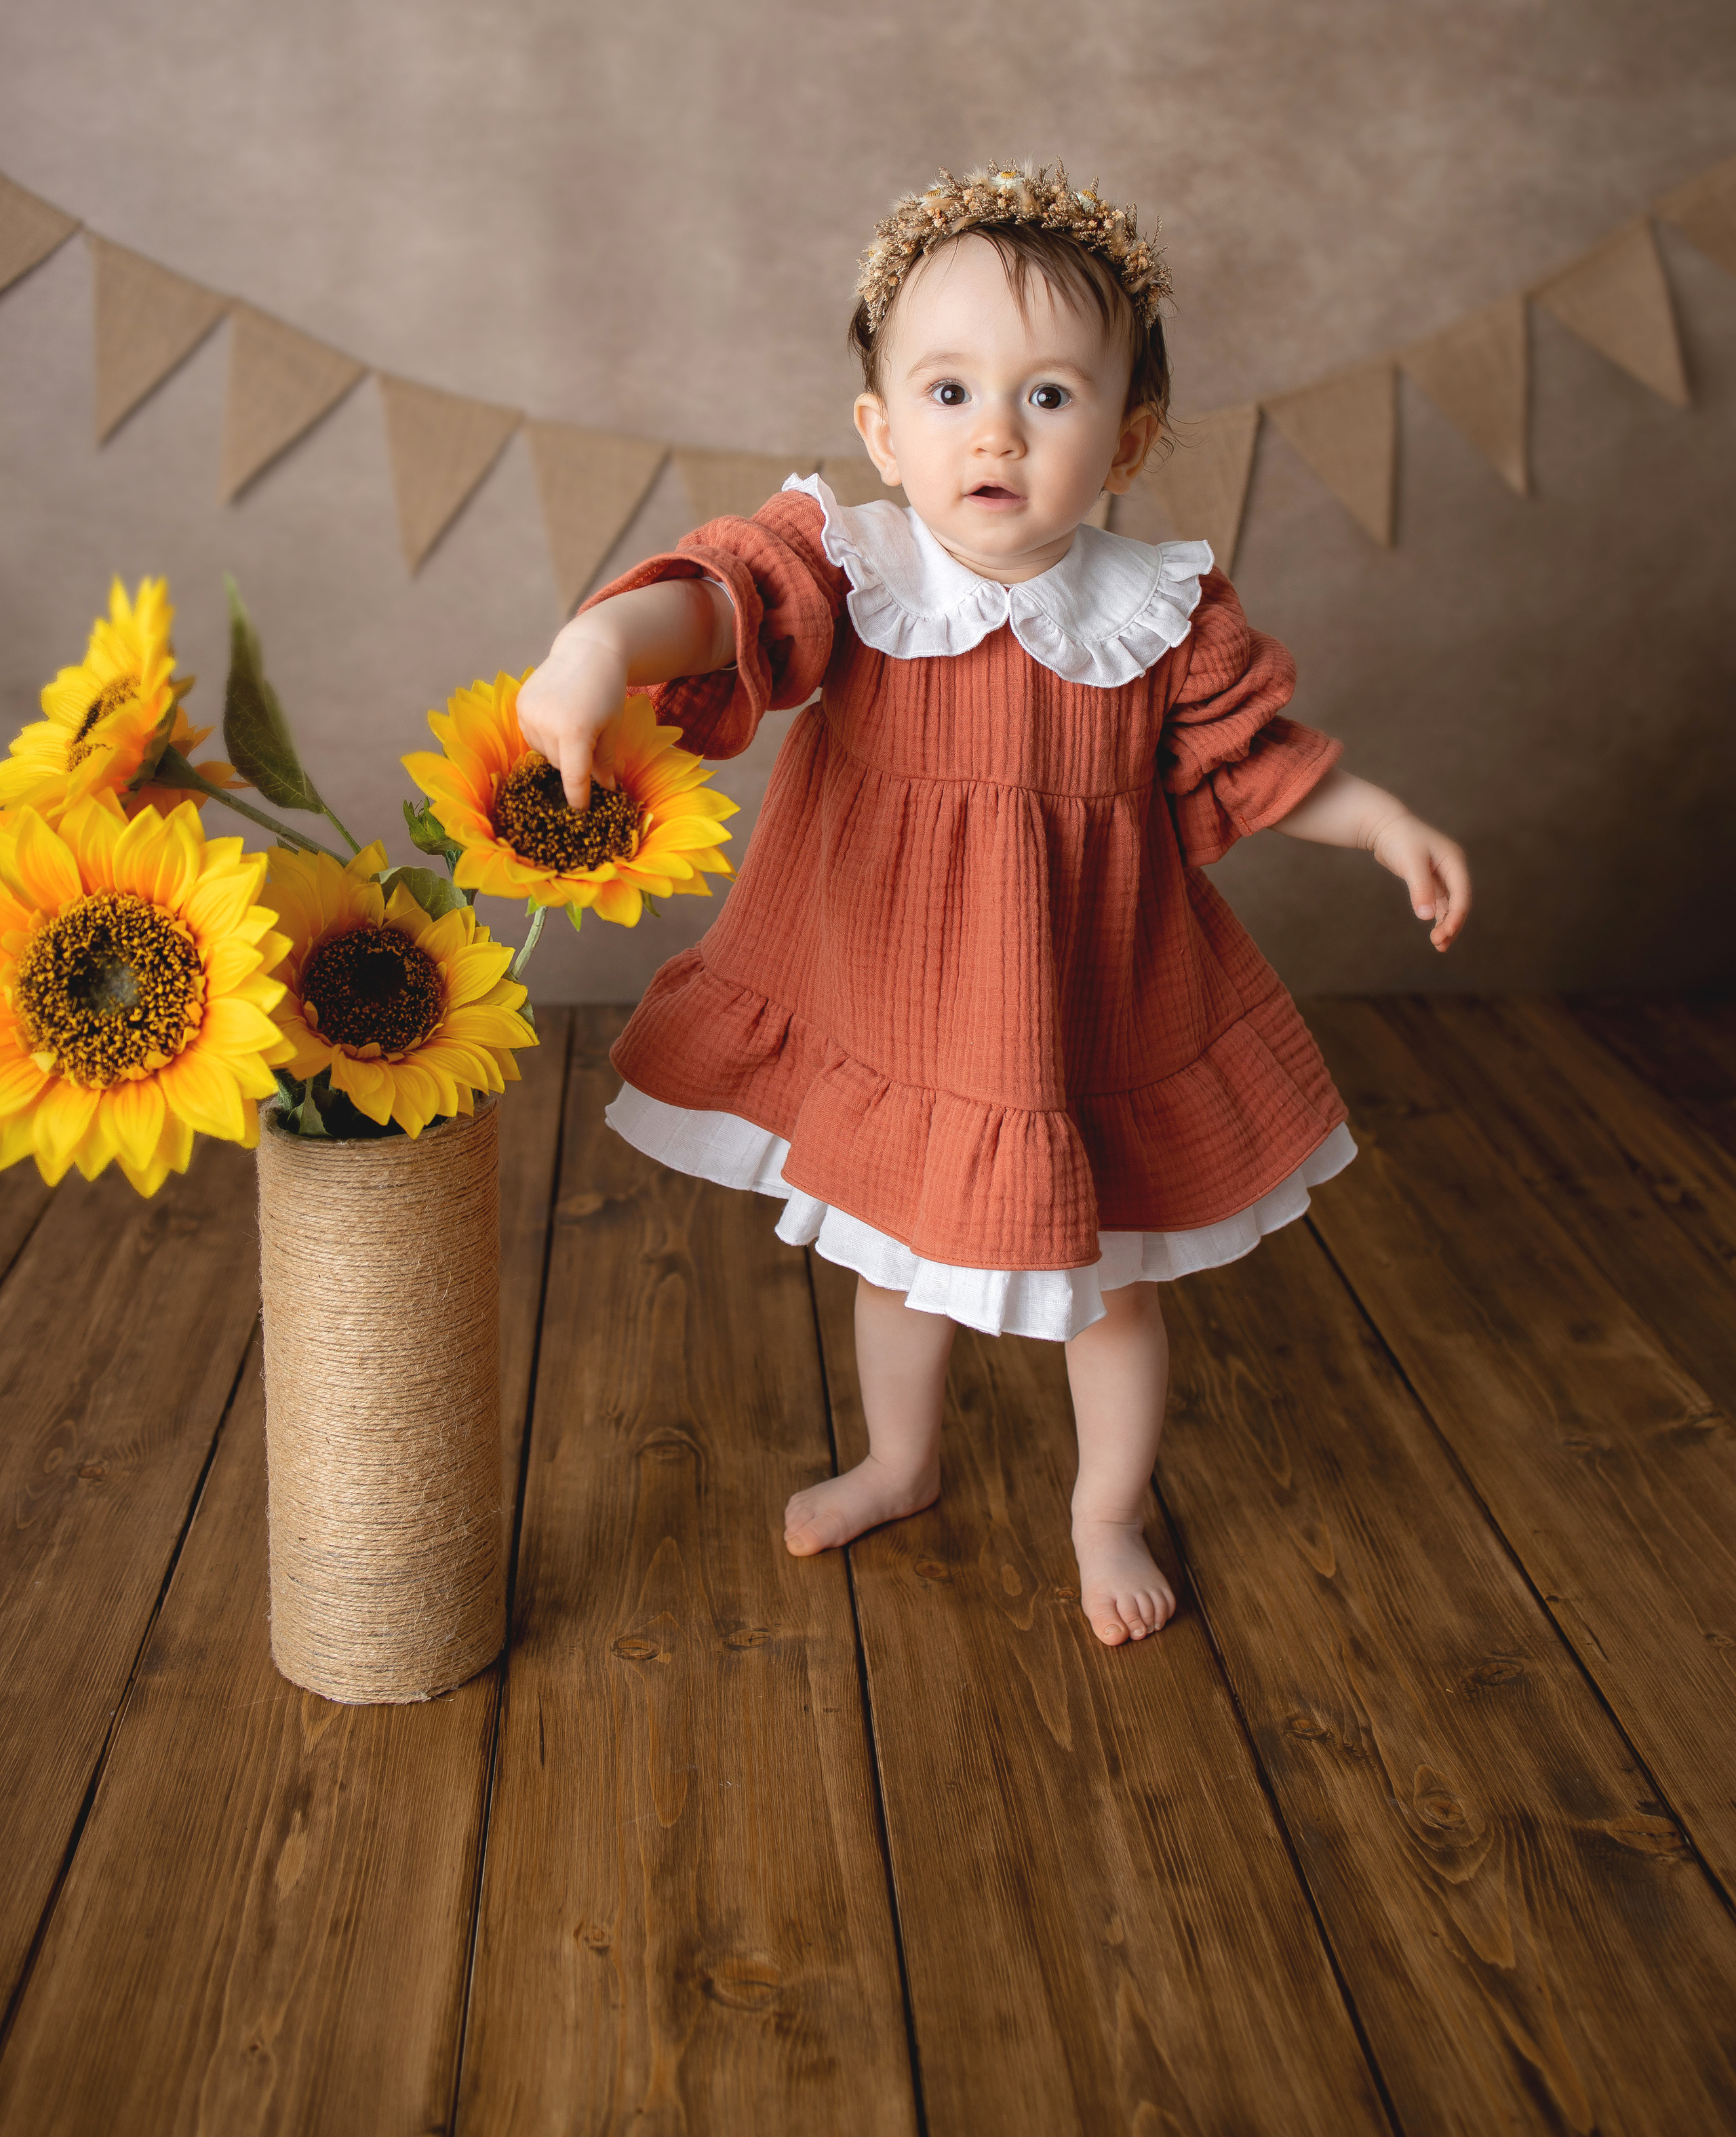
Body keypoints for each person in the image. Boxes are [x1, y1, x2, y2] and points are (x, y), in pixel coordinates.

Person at [517, 163, 1471, 1647]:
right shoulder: (860, 570)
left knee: (1112, 1286)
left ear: (1127, 438)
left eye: (1050, 397)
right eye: (951, 391)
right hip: (899, 1000)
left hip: (1085, 1012)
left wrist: (1383, 823)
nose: (996, 434)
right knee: (897, 1261)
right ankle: (900, 1461)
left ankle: (1107, 1511)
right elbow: (722, 600)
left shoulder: (1154, 614)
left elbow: (1257, 763)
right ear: (881, 431)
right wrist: (599, 647)